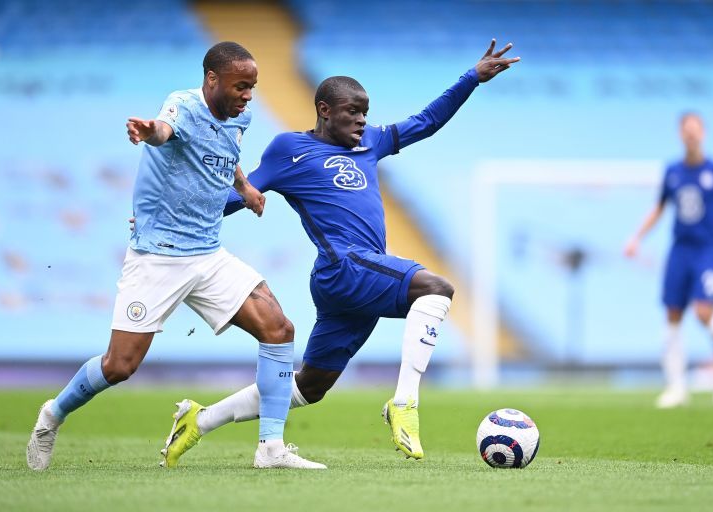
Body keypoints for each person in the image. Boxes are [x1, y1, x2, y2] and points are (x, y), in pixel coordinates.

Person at [159, 39, 519, 466]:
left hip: (356, 277)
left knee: (309, 387)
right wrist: (173, 216)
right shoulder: (289, 149)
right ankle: (404, 403)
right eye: (353, 112)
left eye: (365, 113)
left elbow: (426, 122)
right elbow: (245, 192)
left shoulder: (372, 143)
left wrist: (471, 79)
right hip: (343, 266)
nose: (362, 121)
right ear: (325, 110)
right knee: (436, 288)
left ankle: (198, 421)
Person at [26, 42, 325, 471]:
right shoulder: (181, 105)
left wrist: (245, 189)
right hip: (158, 257)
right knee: (119, 365)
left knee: (278, 328)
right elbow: (165, 132)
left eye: (253, 87)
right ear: (212, 79)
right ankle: (52, 414)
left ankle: (271, 448)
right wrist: (150, 133)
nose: (248, 96)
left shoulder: (242, 117)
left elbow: (227, 155)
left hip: (207, 253)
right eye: (241, 86)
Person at [624, 112, 713, 408]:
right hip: (680, 249)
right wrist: (636, 238)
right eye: (686, 130)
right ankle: (676, 385)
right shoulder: (673, 171)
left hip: (708, 250)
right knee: (673, 315)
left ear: (703, 133)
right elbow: (659, 208)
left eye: (695, 130)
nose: (691, 135)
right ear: (679, 134)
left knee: (704, 312)